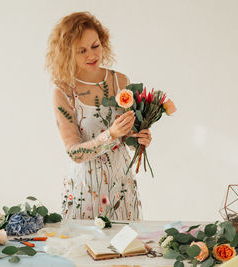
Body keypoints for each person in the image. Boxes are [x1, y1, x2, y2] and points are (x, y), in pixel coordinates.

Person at [45, 11, 152, 221]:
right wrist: (111, 133)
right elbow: (75, 153)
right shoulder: (63, 91)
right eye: (81, 50)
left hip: (121, 188)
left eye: (95, 46)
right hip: (85, 191)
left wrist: (140, 140)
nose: (91, 55)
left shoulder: (120, 81)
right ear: (67, 54)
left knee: (127, 251)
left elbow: (128, 139)